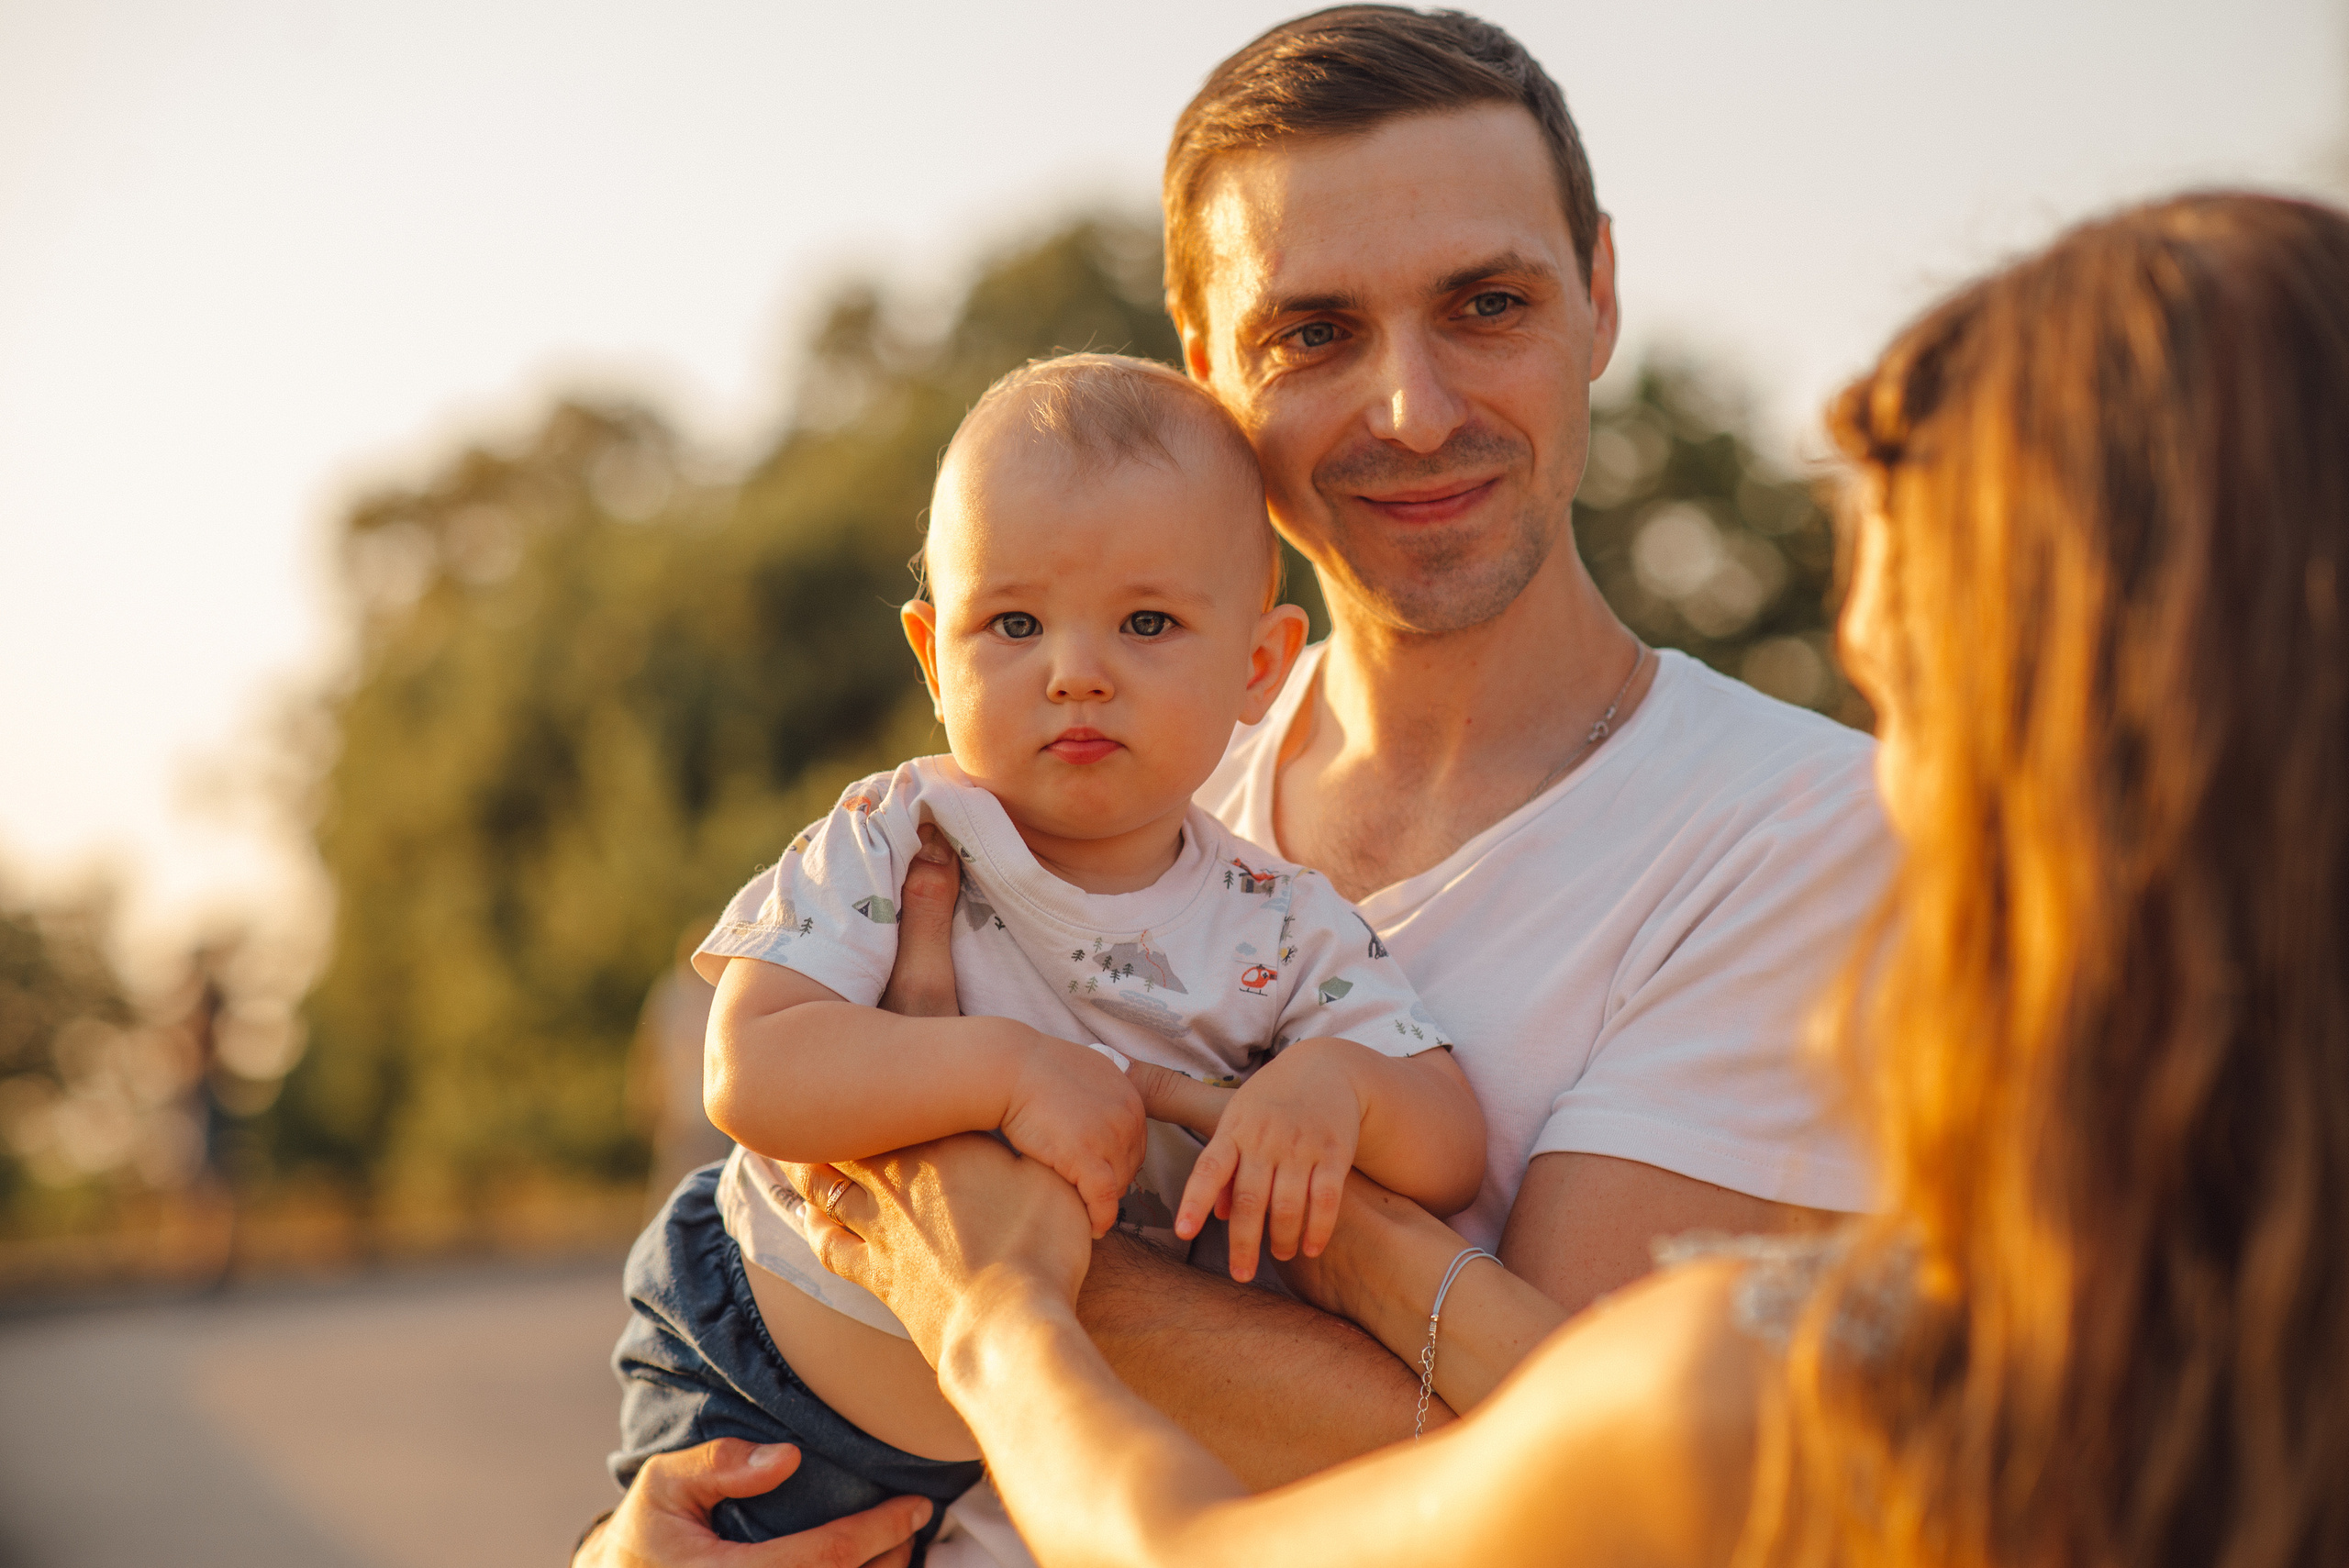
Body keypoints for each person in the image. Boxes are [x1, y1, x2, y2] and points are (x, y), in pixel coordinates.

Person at [787, 189, 2349, 1567]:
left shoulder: (1824, 1380)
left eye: (1916, 700)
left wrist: (990, 1308)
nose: (1901, 783)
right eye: (1318, 328)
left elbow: (1205, 1548)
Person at [577, 7, 1889, 1562]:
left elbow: (1571, 1501)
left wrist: (975, 1239)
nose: (1414, 407)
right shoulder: (1126, 766)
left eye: (1487, 302)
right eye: (1315, 332)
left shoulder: (1810, 841)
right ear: (1209, 372)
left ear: (1599, 295)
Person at [607, 353, 1484, 1557]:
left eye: (1147, 621)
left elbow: (1444, 1134)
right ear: (930, 650)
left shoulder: (1279, 922)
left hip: (1023, 1448)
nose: (1075, 668)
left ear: (1259, 665)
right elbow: (752, 1069)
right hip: (776, 1374)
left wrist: (1330, 1086)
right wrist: (1009, 1071)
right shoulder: (904, 835)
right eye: (1013, 622)